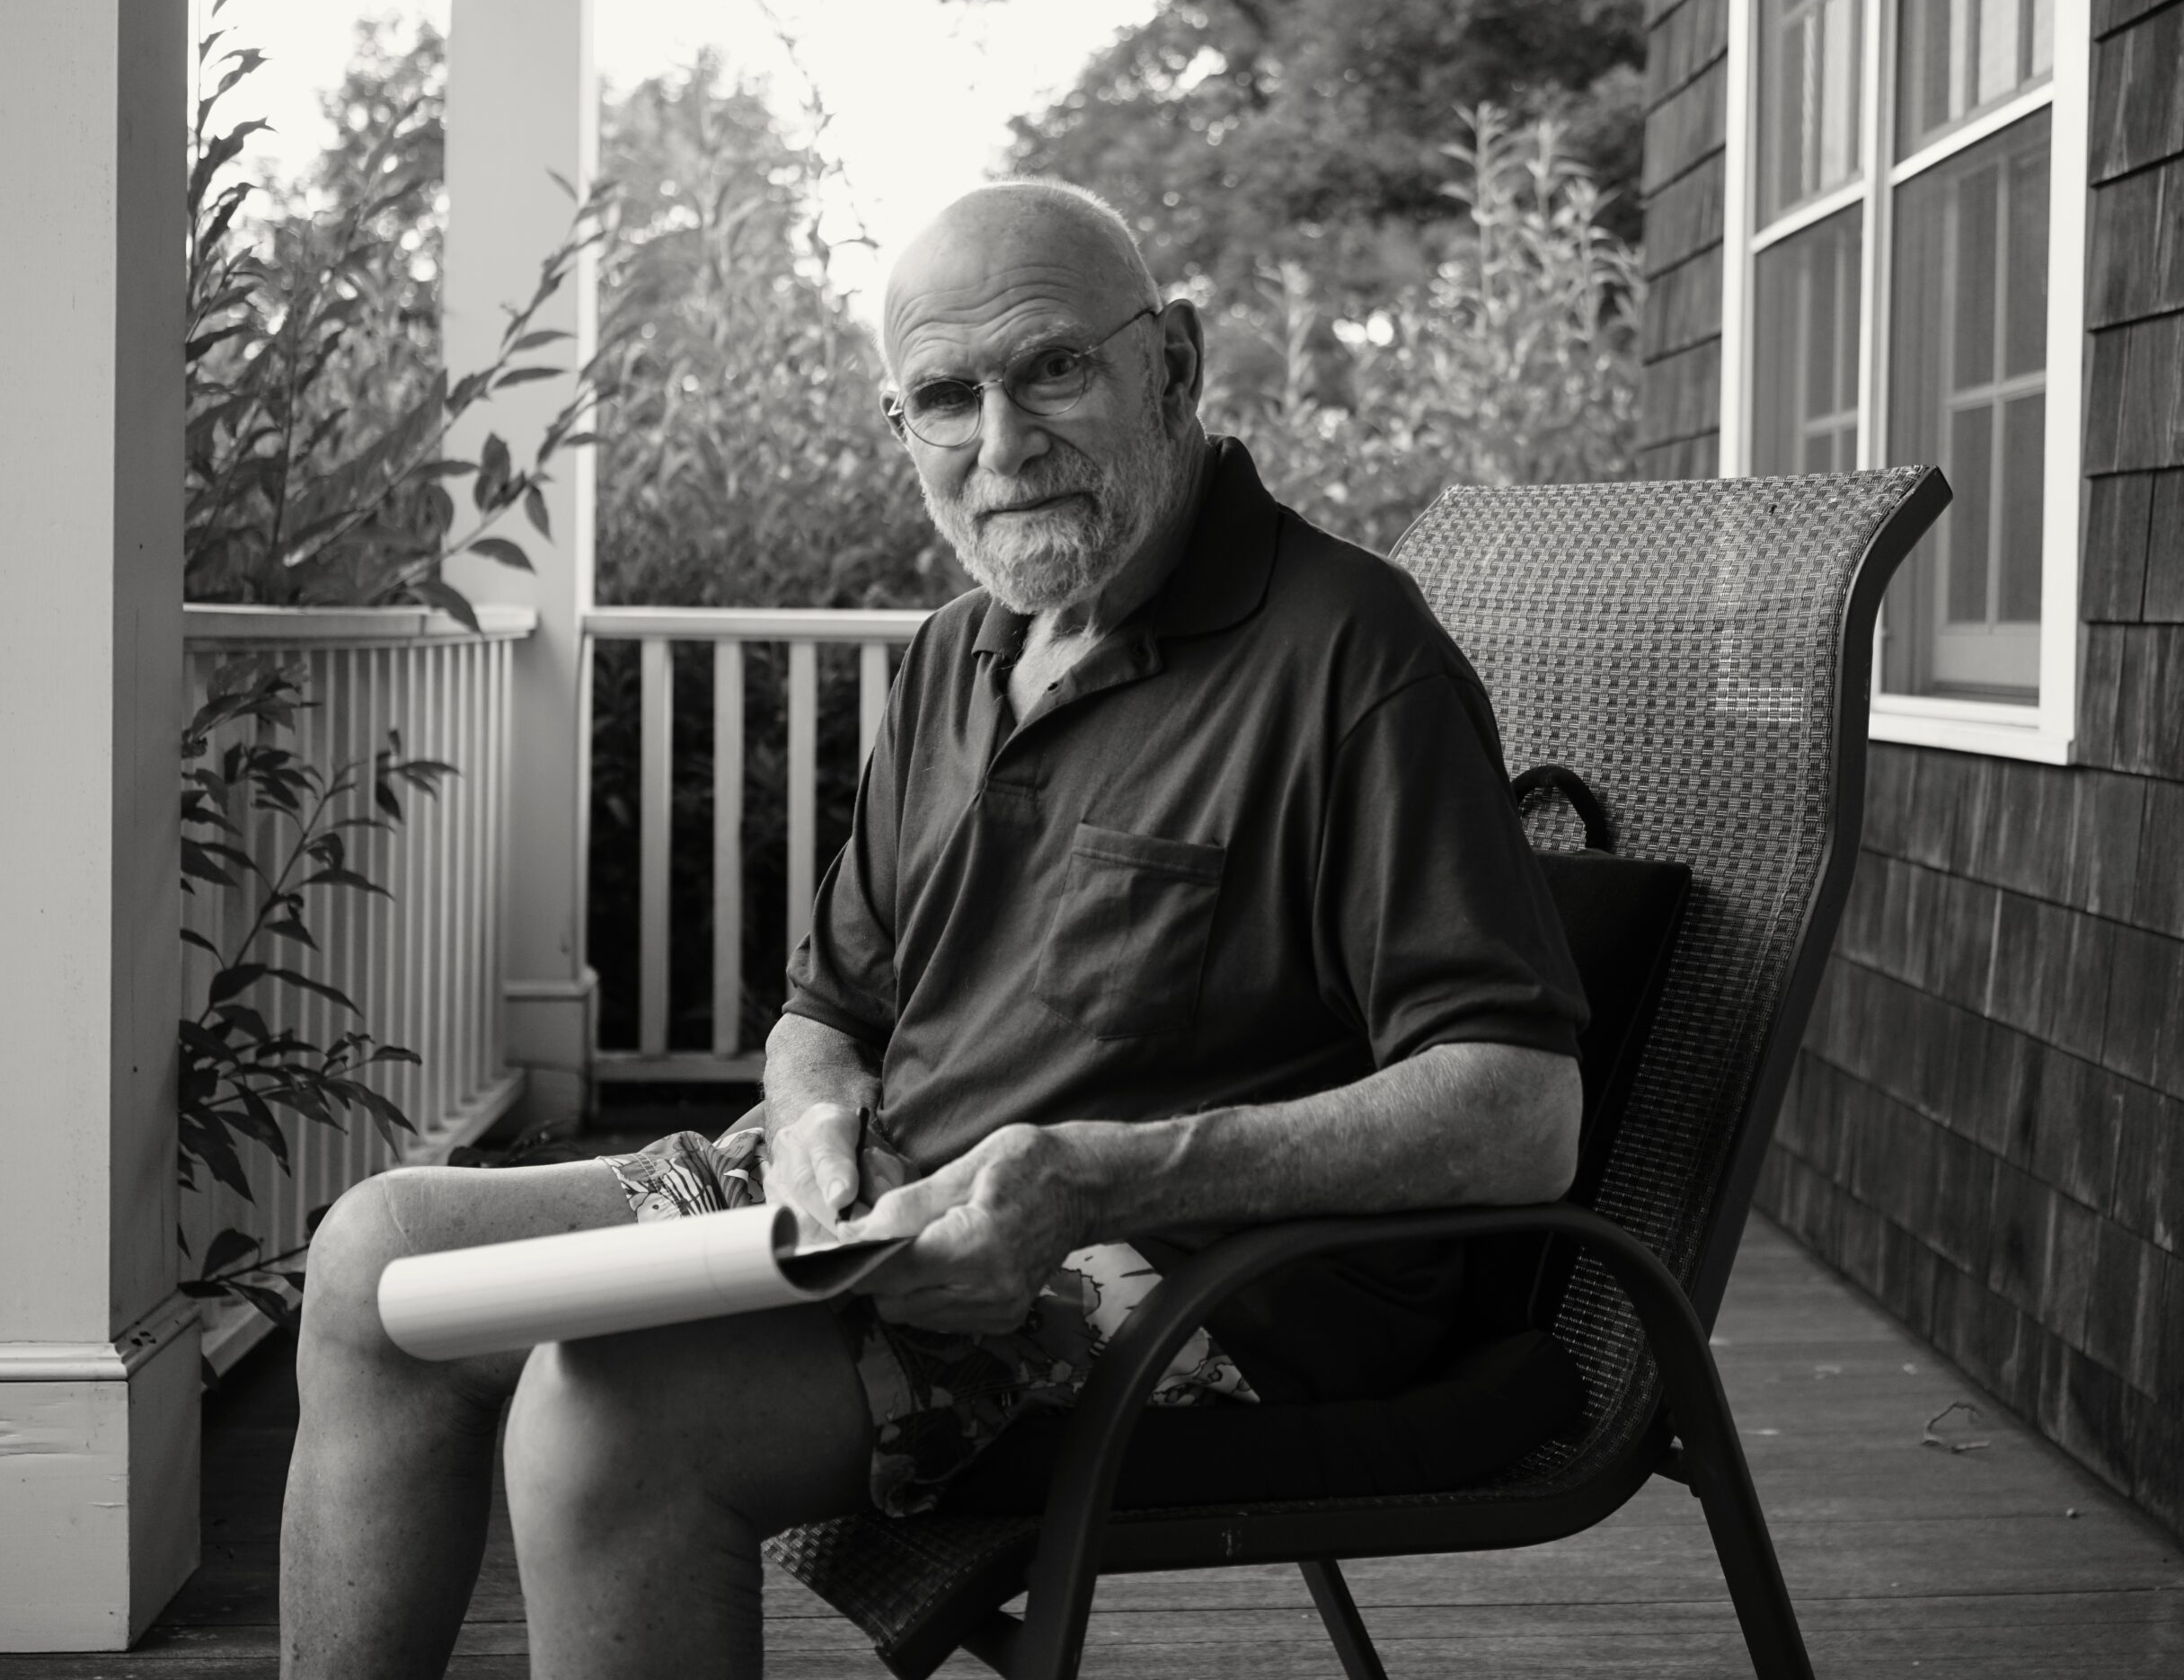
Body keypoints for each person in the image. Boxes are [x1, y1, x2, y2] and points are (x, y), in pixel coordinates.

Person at [279, 181, 1587, 1679]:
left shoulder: (1355, 657)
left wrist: (1092, 1173)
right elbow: (826, 1010)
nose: (1004, 443)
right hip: (875, 1217)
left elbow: (1522, 1107)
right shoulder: (959, 651)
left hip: (1187, 1280)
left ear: (1173, 362)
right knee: (377, 1263)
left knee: (613, 1412)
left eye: (1051, 368)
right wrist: (818, 1117)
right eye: (945, 399)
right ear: (900, 428)